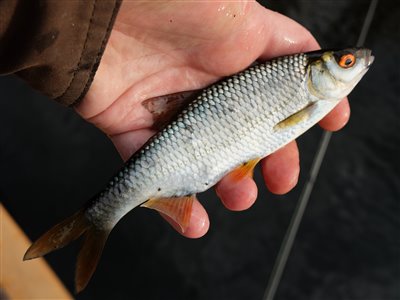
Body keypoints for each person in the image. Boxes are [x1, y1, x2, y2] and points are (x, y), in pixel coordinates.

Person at [0, 1, 350, 238]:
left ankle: (98, 219)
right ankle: (100, 218)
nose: (358, 61)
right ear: (318, 69)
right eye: (345, 62)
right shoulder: (305, 84)